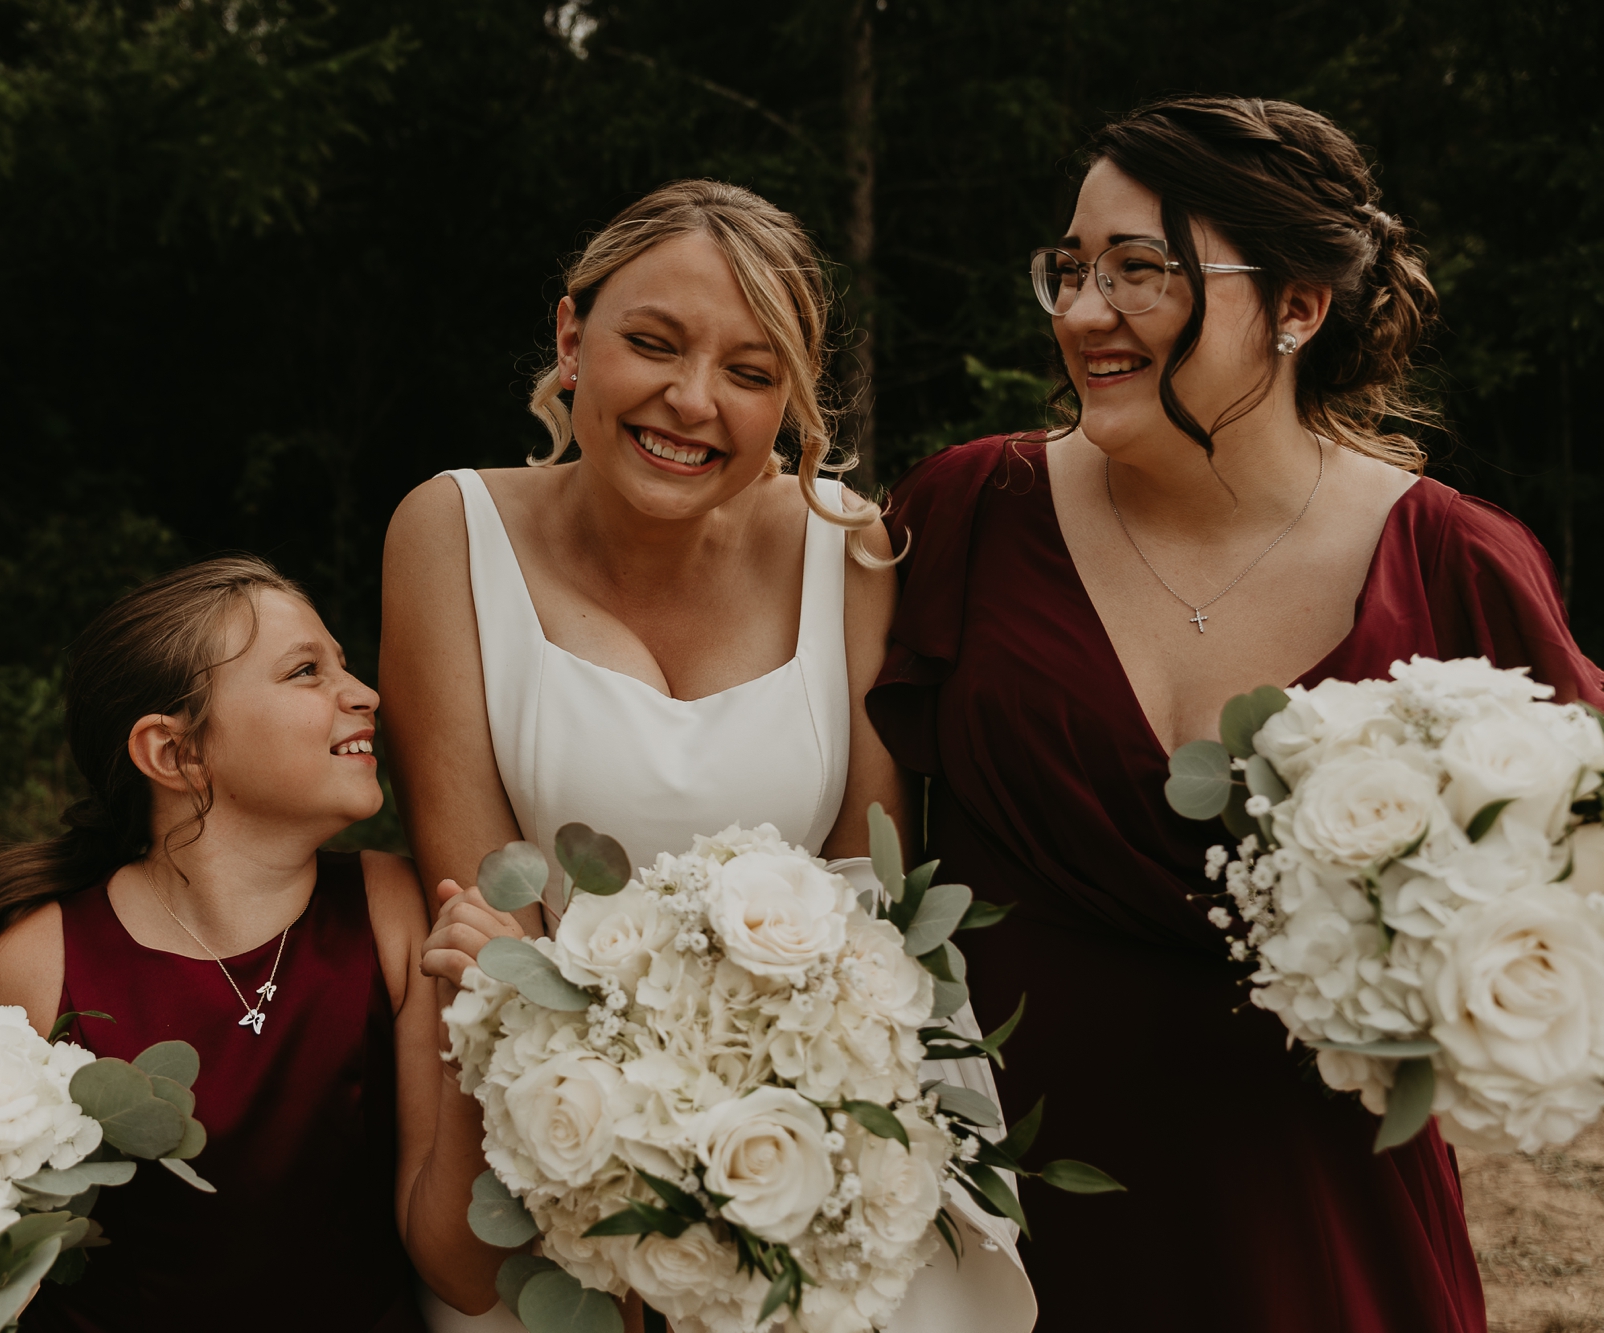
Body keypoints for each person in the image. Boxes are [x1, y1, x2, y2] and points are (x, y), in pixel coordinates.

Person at [870, 94, 1604, 1332]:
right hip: (1003, 1238)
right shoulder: (962, 512)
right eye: (1070, 267)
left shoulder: (1451, 560)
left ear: (1297, 306)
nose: (1083, 312)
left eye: (1139, 270)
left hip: (1316, 1229)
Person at [381, 179, 1036, 1332]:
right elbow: (486, 920)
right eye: (651, 343)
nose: (691, 402)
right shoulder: (447, 531)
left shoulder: (853, 550)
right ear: (570, 338)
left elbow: (864, 909)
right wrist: (631, 1169)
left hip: (802, 1150)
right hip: (548, 1130)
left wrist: (770, 1175)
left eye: (749, 371)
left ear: (789, 397)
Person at [0, 556, 502, 1331]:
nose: (364, 692)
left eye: (344, 663)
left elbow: (464, 1275)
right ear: (176, 754)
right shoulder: (43, 960)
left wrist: (488, 1046)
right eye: (307, 670)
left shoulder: (394, 909)